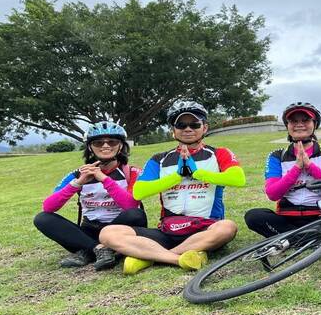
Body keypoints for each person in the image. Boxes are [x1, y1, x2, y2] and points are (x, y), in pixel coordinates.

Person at [99, 101, 245, 274]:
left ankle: (151, 256)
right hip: (168, 230)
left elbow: (238, 179)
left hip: (206, 227)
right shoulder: (159, 159)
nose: (188, 129)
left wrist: (197, 173)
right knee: (108, 233)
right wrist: (177, 176)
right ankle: (177, 258)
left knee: (227, 227)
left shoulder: (219, 153)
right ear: (173, 130)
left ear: (205, 128)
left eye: (194, 124)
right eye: (181, 125)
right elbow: (139, 192)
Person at [34, 121, 147, 269]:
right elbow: (48, 207)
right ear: (90, 147)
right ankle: (99, 249)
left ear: (121, 146)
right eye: (98, 143)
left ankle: (88, 251)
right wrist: (78, 183)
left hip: (120, 228)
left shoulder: (132, 172)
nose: (105, 146)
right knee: (42, 218)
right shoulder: (77, 174)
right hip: (90, 229)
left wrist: (104, 179)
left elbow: (130, 205)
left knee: (136, 214)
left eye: (112, 142)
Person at [245, 102, 321, 238]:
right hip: (287, 217)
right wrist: (296, 168)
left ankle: (293, 239)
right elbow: (273, 194)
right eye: (294, 121)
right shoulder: (277, 155)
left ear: (315, 124)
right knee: (253, 216)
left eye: (305, 120)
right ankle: (309, 238)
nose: (299, 124)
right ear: (287, 125)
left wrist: (310, 167)